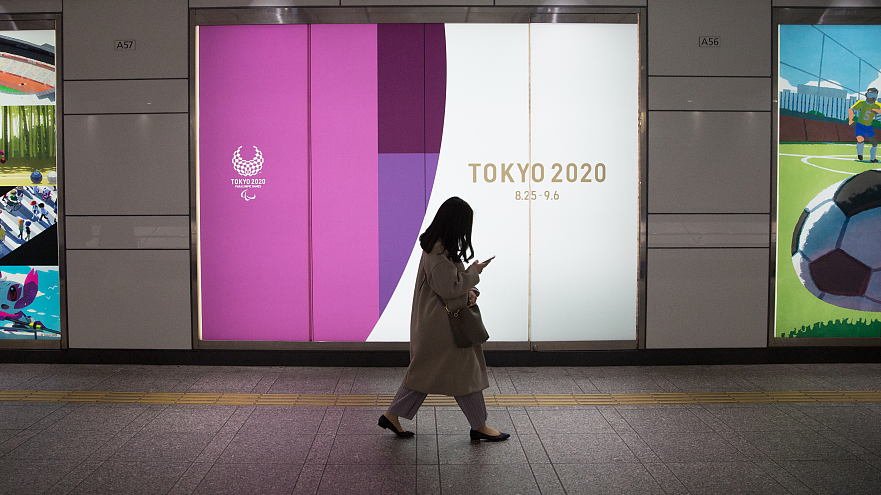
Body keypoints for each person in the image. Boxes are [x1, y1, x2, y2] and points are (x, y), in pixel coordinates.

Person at [378, 196, 509, 442]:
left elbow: (451, 285)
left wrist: (469, 288)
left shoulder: (438, 247)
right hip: (442, 329)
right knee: (463, 374)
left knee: (425, 374)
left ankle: (392, 416)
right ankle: (479, 425)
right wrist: (474, 273)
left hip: (438, 326)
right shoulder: (438, 252)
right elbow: (450, 287)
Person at [848, 87, 881, 162]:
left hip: (868, 127)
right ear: (866, 95)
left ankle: (873, 159)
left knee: (874, 143)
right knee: (860, 139)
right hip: (860, 125)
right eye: (870, 95)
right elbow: (851, 109)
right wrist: (850, 120)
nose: (873, 98)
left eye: (875, 96)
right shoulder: (861, 103)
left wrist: (878, 111)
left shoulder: (877, 105)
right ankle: (860, 155)